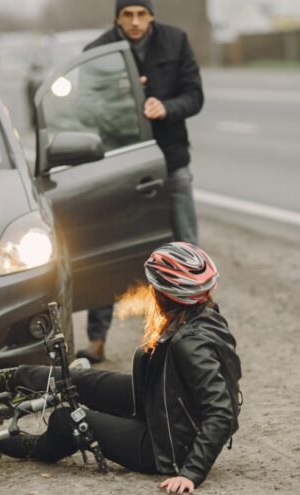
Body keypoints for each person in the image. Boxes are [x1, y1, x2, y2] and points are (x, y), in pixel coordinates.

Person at [0, 242, 242, 493]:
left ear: (167, 295)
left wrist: (190, 473)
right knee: (78, 379)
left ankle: (34, 447)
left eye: (154, 287)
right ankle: (6, 378)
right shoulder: (200, 316)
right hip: (161, 405)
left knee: (69, 418)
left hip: (163, 447)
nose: (150, 292)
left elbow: (221, 411)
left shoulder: (191, 343)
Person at [78, 0, 204, 363]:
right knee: (106, 247)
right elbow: (85, 108)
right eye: (127, 15)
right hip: (117, 166)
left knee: (186, 246)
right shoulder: (97, 53)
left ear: (151, 15)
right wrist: (124, 98)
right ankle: (97, 340)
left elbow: (195, 95)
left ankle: (195, 330)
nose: (135, 22)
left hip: (170, 160)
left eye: (141, 14)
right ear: (117, 17)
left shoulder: (176, 41)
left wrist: (166, 107)